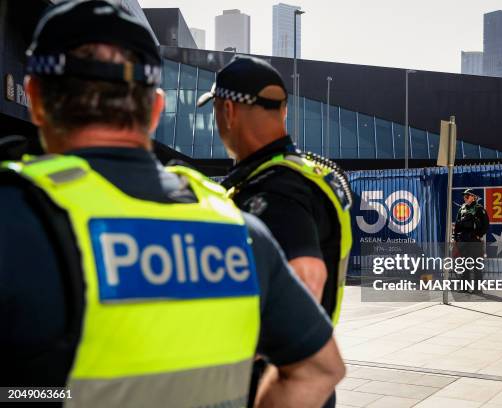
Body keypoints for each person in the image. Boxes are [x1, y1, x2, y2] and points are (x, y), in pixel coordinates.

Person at [0, 2, 344, 407]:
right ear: (156, 109)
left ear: (35, 98)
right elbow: (320, 368)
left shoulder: (14, 217)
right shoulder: (238, 229)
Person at [197, 56, 352, 408]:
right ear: (282, 111)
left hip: (275, 386)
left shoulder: (274, 191)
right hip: (301, 382)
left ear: (228, 111)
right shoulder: (300, 175)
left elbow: (307, 279)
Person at [453, 188, 489, 293]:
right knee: (464, 265)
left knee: (476, 265)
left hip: (474, 241)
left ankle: (477, 288)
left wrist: (479, 235)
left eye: (467, 196)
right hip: (463, 240)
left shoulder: (479, 209)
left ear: (473, 197)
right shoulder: (462, 209)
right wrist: (455, 238)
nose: (465, 198)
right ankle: (464, 287)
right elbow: (457, 224)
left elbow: (486, 224)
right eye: (464, 196)